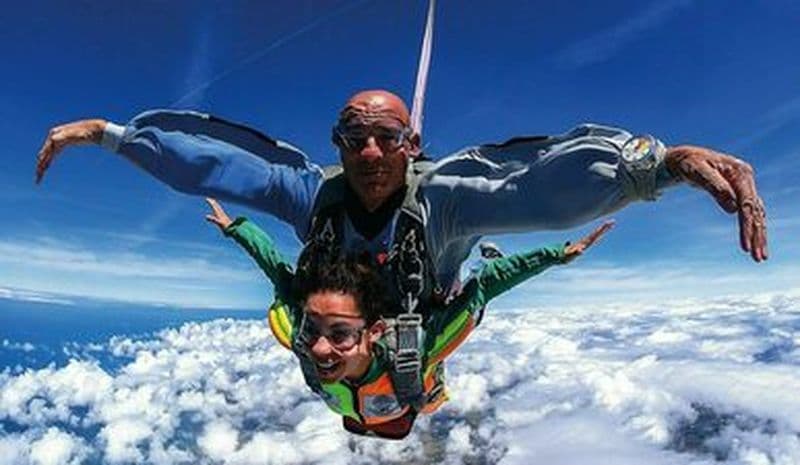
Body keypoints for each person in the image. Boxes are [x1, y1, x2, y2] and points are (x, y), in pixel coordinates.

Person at [34, 90, 767, 315]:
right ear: (339, 143)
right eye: (354, 137)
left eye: (387, 136)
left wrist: (652, 169)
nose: (371, 152)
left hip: (425, 310)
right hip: (348, 338)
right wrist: (114, 136)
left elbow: (535, 192)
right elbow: (219, 167)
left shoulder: (443, 201)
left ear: (411, 144)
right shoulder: (311, 195)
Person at [205, 197, 614, 439]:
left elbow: (485, 286)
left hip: (404, 362)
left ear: (375, 332)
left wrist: (555, 255)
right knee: (462, 316)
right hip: (404, 392)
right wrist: (234, 228)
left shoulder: (411, 351)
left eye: (340, 334)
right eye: (314, 328)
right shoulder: (412, 358)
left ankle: (467, 246)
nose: (317, 346)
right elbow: (280, 275)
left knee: (467, 302)